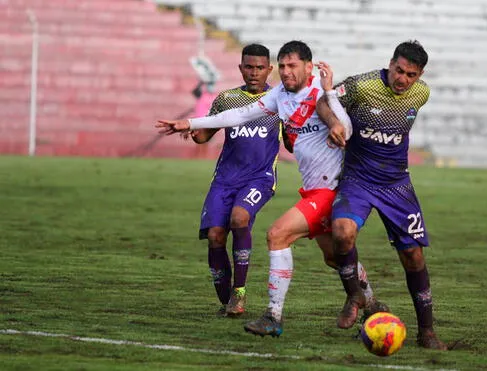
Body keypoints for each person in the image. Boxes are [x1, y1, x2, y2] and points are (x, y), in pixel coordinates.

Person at [156, 40, 387, 337]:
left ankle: (273, 315)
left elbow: (344, 125)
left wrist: (330, 95)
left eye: (292, 66)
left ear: (308, 66)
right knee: (335, 257)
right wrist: (190, 122)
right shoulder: (279, 94)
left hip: (333, 189)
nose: (287, 72)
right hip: (315, 188)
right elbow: (238, 115)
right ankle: (372, 304)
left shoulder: (320, 92)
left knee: (278, 235)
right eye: (283, 66)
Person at [315, 40, 448, 350]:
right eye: (398, 70)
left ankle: (427, 332)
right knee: (342, 232)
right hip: (358, 179)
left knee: (413, 256)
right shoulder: (362, 85)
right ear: (390, 63)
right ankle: (354, 295)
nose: (402, 79)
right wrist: (334, 122)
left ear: (420, 75)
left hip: (396, 185)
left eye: (410, 75)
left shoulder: (422, 93)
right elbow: (324, 101)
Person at [182, 44, 281, 317]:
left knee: (239, 219)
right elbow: (205, 135)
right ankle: (227, 303)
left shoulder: (278, 100)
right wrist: (193, 132)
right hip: (225, 178)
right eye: (249, 67)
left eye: (260, 67)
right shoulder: (227, 99)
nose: (254, 72)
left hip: (259, 178)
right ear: (240, 68)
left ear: (269, 69)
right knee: (215, 236)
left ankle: (239, 293)